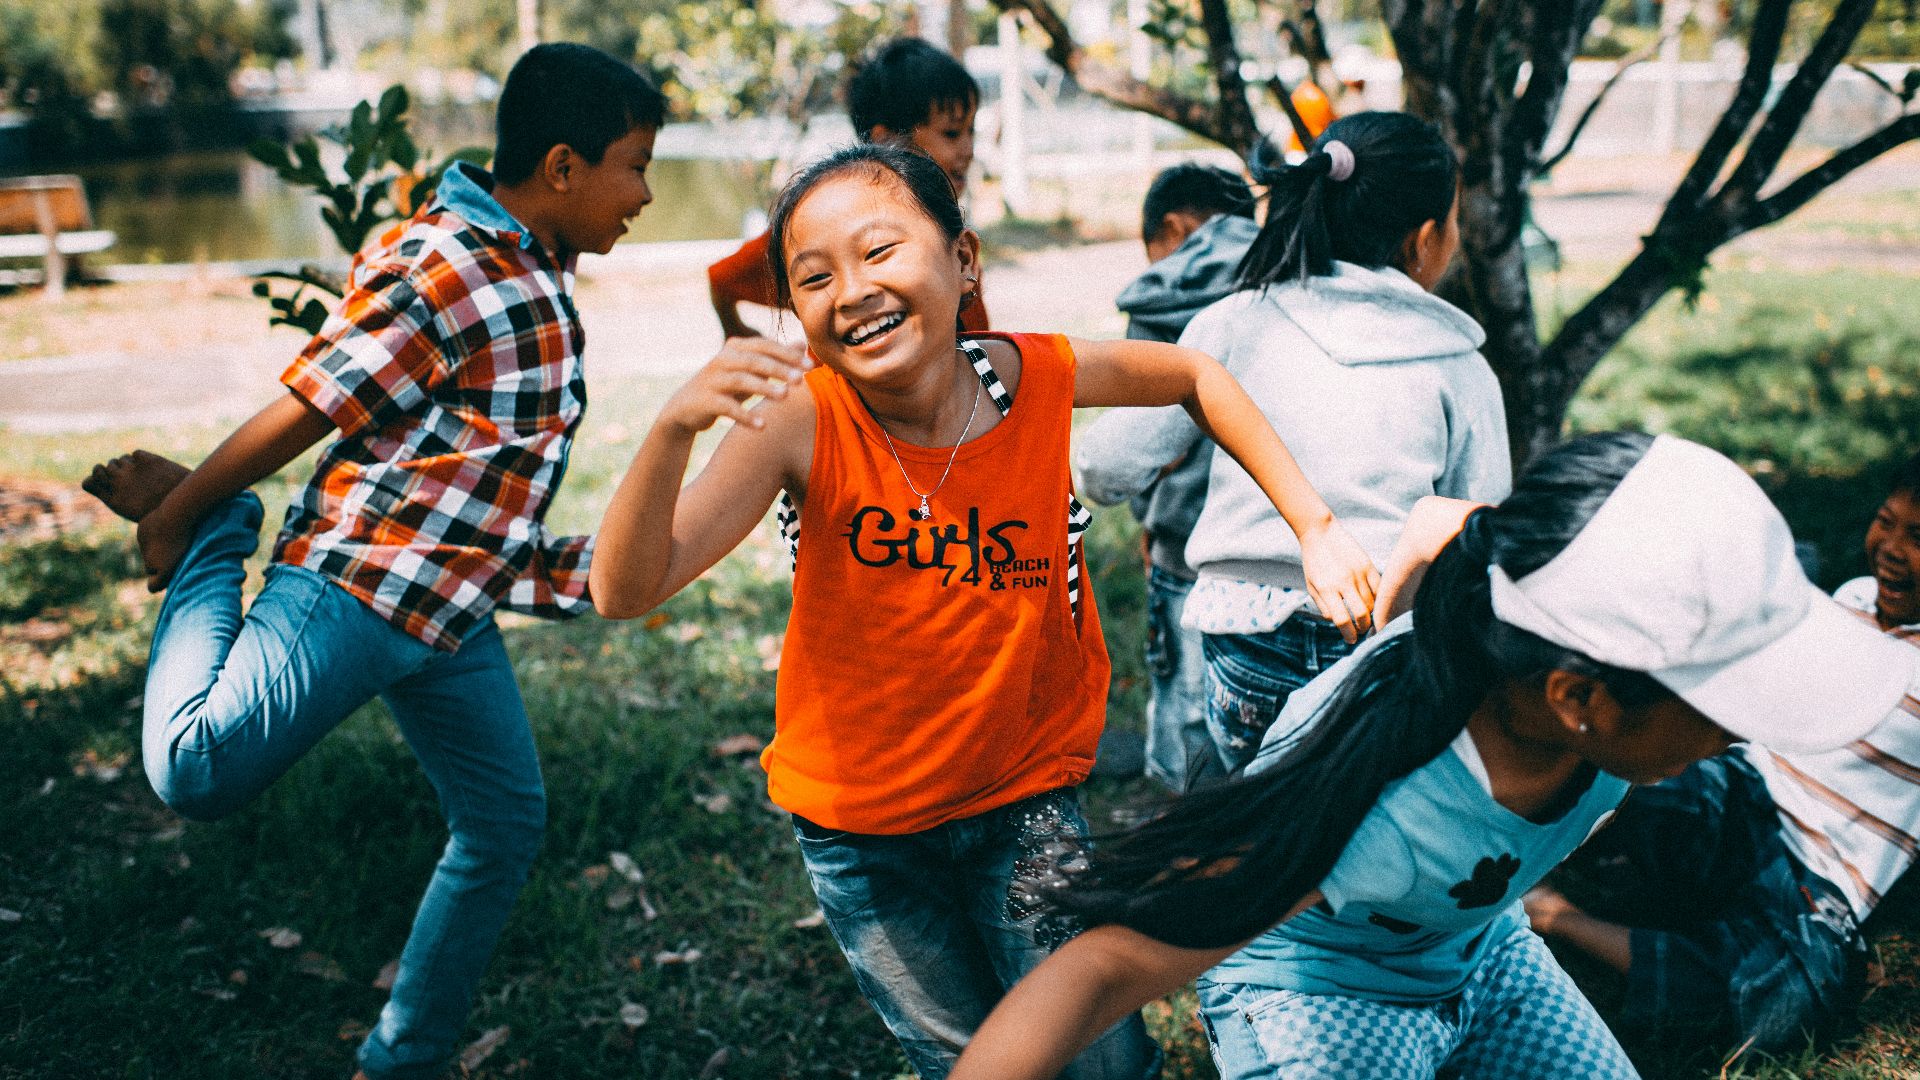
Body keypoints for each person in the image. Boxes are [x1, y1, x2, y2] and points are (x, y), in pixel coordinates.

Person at [589, 141, 1378, 1079]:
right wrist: (674, 429)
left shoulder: (1036, 377)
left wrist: (1316, 525)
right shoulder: (803, 420)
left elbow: (1199, 378)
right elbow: (624, 589)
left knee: (1100, 1057)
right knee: (969, 1060)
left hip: (1024, 803)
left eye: (880, 252)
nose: (852, 291)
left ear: (963, 262)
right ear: (793, 308)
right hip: (862, 836)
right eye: (813, 276)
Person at [948, 431, 1920, 1080]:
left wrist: (1398, 603)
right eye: (1723, 704)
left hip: (1480, 951)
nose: (1742, 732)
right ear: (1578, 699)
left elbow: (1443, 525)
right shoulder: (1374, 802)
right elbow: (1106, 966)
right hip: (1320, 993)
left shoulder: (1528, 611)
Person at [77, 44, 664, 1080]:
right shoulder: (450, 260)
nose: (647, 195)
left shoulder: (530, 262)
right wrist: (183, 512)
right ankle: (225, 538)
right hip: (360, 582)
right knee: (196, 770)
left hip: (448, 612)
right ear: (565, 167)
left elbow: (474, 470)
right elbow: (315, 403)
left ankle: (402, 1060)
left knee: (502, 821)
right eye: (635, 166)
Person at [1078, 112, 1512, 779]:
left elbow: (1104, 466)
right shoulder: (1458, 364)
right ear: (1425, 239)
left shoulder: (1232, 324)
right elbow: (1480, 526)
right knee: (1345, 833)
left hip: (1245, 647)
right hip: (1380, 649)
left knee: (1253, 828)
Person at [1523, 449, 1920, 1054]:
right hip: (1739, 789)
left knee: (1788, 998)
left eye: (1918, 536)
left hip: (1818, 871)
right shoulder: (1855, 596)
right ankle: (1533, 847)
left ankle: (1553, 916)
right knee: (1637, 757)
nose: (1890, 546)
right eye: (1885, 521)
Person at [1075, 163, 1259, 792]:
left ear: (1175, 227)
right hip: (1282, 557)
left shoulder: (1166, 296)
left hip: (1185, 546)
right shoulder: (1288, 278)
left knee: (1186, 721)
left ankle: (1177, 837)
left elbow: (1128, 453)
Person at [707, 37, 989, 340]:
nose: (968, 149)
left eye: (970, 130)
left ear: (963, 255)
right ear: (889, 142)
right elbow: (723, 277)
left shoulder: (948, 230)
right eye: (951, 133)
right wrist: (736, 331)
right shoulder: (827, 225)